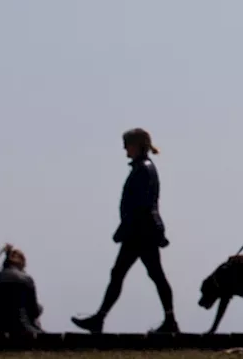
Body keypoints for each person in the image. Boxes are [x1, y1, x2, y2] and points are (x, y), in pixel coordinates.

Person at [72, 128, 179, 334]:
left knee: (128, 274)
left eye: (126, 144)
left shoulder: (143, 169)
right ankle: (169, 319)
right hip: (141, 231)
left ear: (136, 145)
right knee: (147, 274)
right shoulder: (143, 168)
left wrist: (124, 229)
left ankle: (100, 319)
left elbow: (141, 205)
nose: (124, 149)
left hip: (140, 232)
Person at [0, 245, 43, 336]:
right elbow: (33, 312)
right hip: (21, 327)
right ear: (21, 263)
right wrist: (40, 308)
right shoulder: (26, 279)